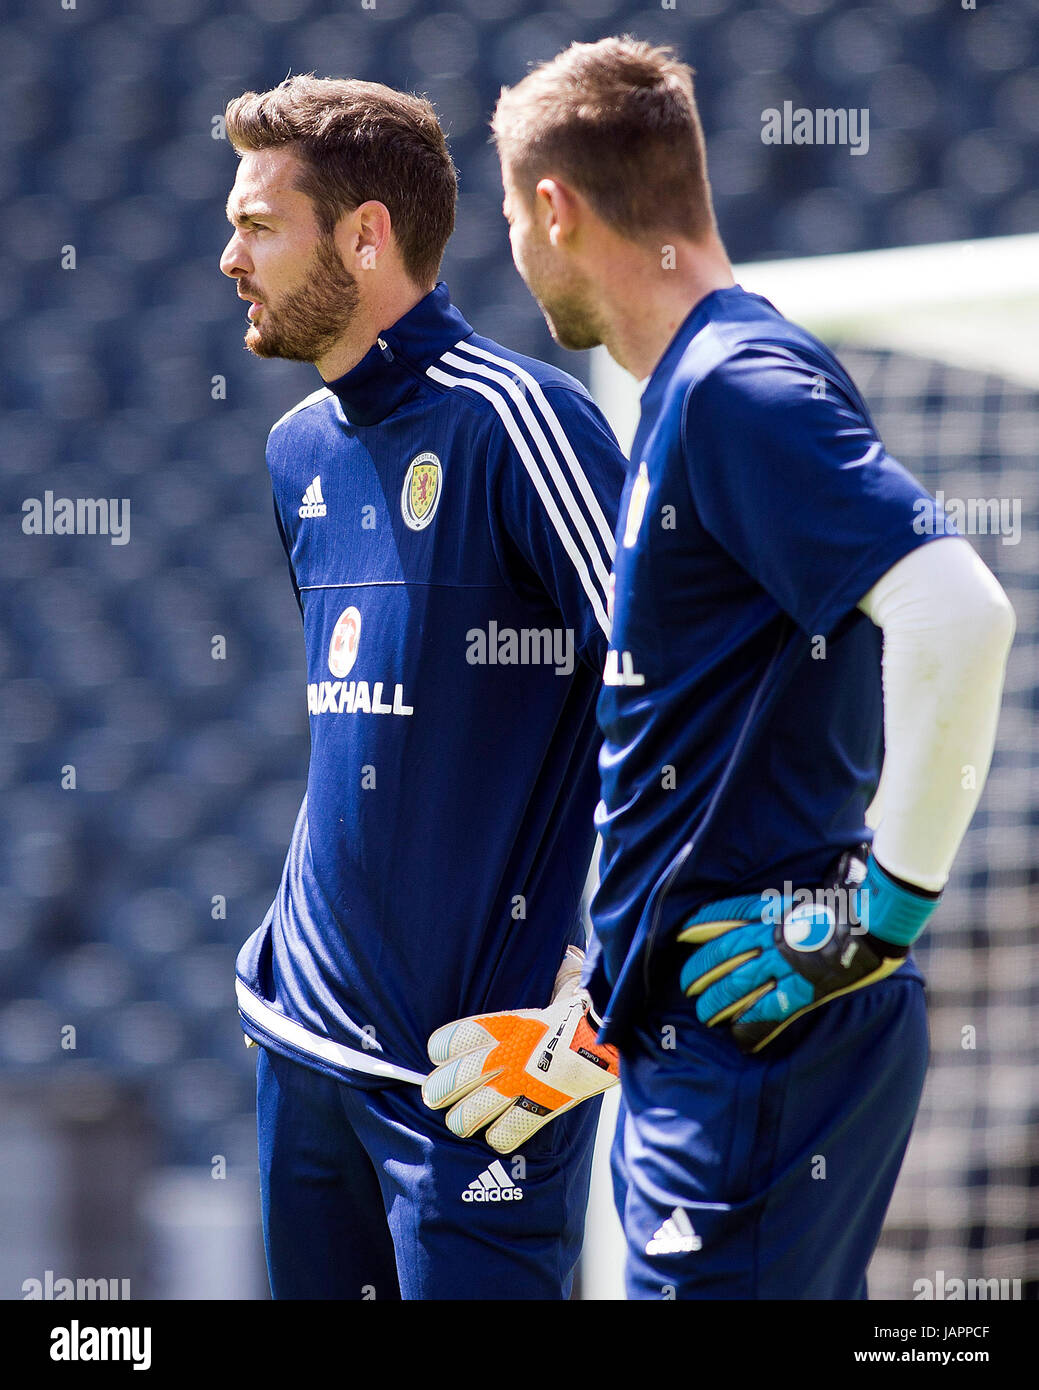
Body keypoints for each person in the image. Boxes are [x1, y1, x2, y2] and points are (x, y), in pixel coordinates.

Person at [483, 36, 1015, 1298]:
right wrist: (607, 999)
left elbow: (960, 612)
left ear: (553, 209)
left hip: (761, 1037)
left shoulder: (735, 387)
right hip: (702, 1034)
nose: (511, 248)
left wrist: (879, 913)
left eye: (510, 215)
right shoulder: (697, 389)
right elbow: (712, 745)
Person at [218, 74, 626, 1300]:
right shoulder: (296, 450)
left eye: (256, 224)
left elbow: (682, 693)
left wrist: (605, 988)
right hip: (304, 1057)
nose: (228, 256)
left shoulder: (521, 425)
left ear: (365, 235)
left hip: (475, 1080)